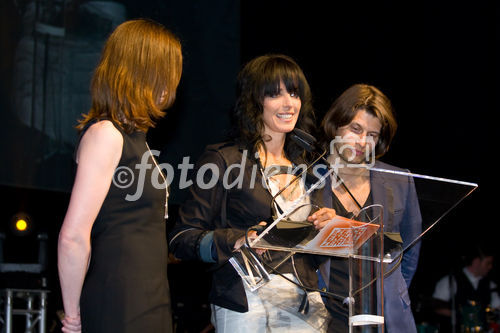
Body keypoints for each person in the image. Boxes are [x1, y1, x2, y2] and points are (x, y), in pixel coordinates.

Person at [169, 54, 331, 332]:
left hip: (303, 303)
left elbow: (310, 250)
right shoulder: (224, 160)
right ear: (255, 102)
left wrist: (325, 229)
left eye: (294, 93)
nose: (288, 103)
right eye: (275, 94)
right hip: (246, 300)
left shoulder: (308, 168)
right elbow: (181, 239)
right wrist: (236, 239)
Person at [57, 19, 182, 333]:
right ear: (142, 72)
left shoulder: (137, 141)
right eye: (166, 72)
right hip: (119, 302)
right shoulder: (106, 135)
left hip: (151, 301)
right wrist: (73, 317)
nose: (171, 85)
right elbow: (73, 236)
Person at [316, 83, 422, 332]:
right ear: (337, 123)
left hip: (384, 318)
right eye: (356, 129)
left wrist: (389, 294)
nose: (363, 141)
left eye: (372, 135)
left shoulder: (399, 180)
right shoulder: (309, 178)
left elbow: (409, 250)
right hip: (325, 314)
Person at [432, 244, 500, 332]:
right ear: (476, 261)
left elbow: (497, 308)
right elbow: (436, 306)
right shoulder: (450, 281)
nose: (490, 267)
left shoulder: (491, 285)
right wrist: (461, 314)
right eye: (487, 263)